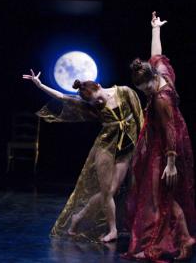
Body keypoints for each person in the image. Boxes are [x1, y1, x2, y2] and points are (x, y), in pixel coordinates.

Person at [23, 70, 143, 242]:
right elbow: (63, 97)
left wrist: (144, 143)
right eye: (95, 103)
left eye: (99, 98)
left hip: (126, 147)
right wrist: (40, 85)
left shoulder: (124, 91)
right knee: (106, 191)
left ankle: (78, 216)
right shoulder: (90, 105)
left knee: (113, 190)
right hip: (106, 146)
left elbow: (140, 117)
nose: (99, 103)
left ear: (99, 86)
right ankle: (113, 230)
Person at [124, 13, 196, 261]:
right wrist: (156, 29)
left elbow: (170, 130)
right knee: (163, 195)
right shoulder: (160, 71)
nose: (145, 92)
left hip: (166, 147)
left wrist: (171, 162)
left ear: (152, 80)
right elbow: (157, 54)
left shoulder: (161, 98)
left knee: (158, 196)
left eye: (145, 88)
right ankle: (184, 238)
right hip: (163, 142)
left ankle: (163, 242)